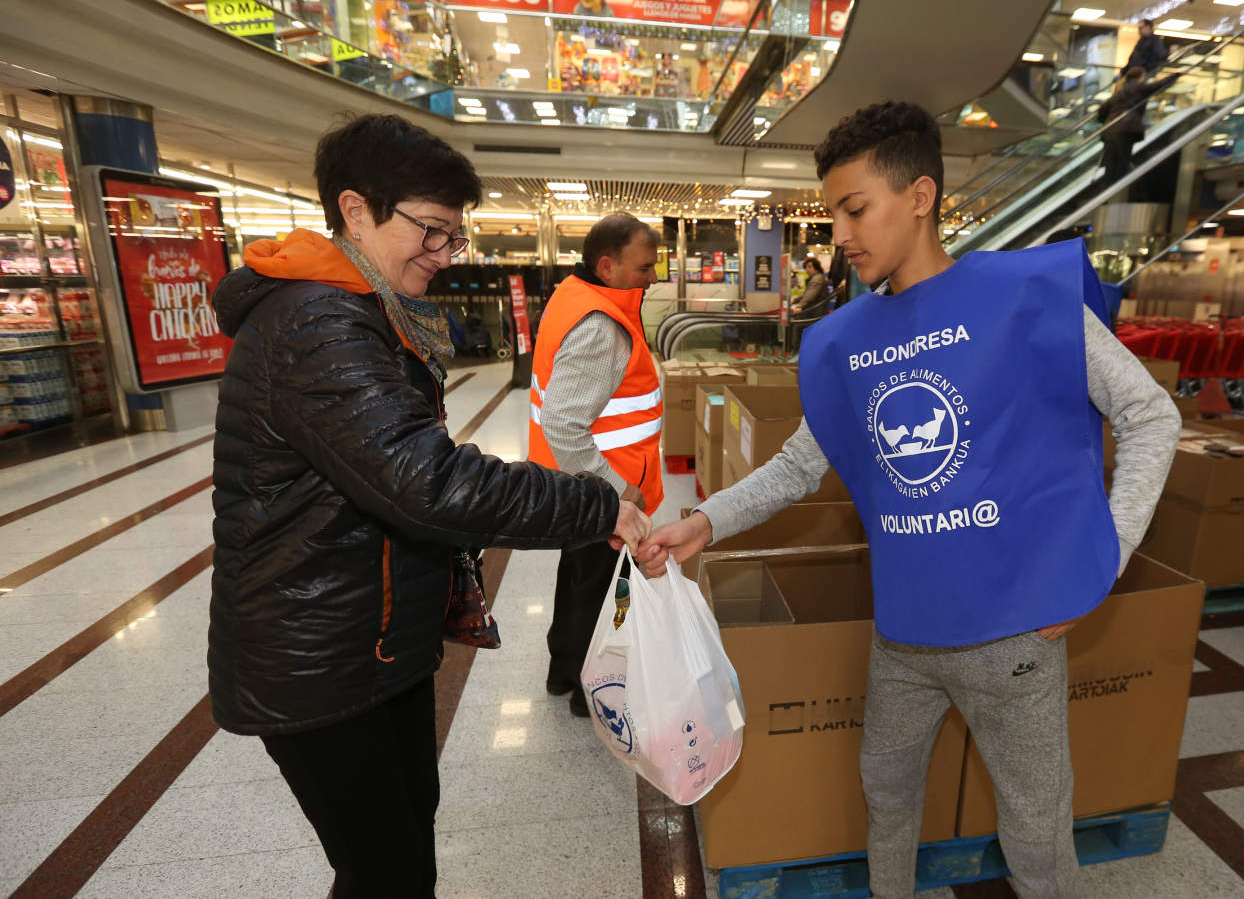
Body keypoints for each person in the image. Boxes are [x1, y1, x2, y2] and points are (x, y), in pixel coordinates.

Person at [636, 100, 1181, 898]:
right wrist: (702, 524)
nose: (842, 236)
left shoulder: (1025, 297)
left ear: (919, 196)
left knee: (1034, 833)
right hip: (904, 637)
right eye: (832, 215)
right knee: (886, 799)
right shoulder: (847, 340)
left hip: (1016, 637)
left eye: (856, 209)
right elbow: (796, 467)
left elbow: (1148, 415)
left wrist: (1104, 559)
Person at [208, 113, 650, 899]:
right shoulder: (317, 325)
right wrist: (598, 505)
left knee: (402, 849)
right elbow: (430, 483)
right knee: (387, 870)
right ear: (353, 210)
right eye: (431, 231)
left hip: (371, 638)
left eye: (455, 236)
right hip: (317, 659)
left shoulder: (368, 312)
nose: (445, 255)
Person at [527, 212, 663, 717]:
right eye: (644, 268)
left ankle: (562, 671)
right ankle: (592, 695)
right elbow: (563, 422)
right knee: (603, 592)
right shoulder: (603, 324)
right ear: (607, 266)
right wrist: (619, 490)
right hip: (598, 486)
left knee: (578, 579)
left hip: (568, 483)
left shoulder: (575, 296)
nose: (653, 278)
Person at [1096, 66, 1180, 185]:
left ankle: (1105, 195)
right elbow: (1158, 85)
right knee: (1122, 165)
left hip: (1110, 131)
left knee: (1110, 165)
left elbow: (1101, 110)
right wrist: (1176, 75)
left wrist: (1106, 122)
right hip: (1126, 130)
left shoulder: (1120, 91)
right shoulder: (1139, 88)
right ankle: (1116, 193)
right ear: (1141, 77)